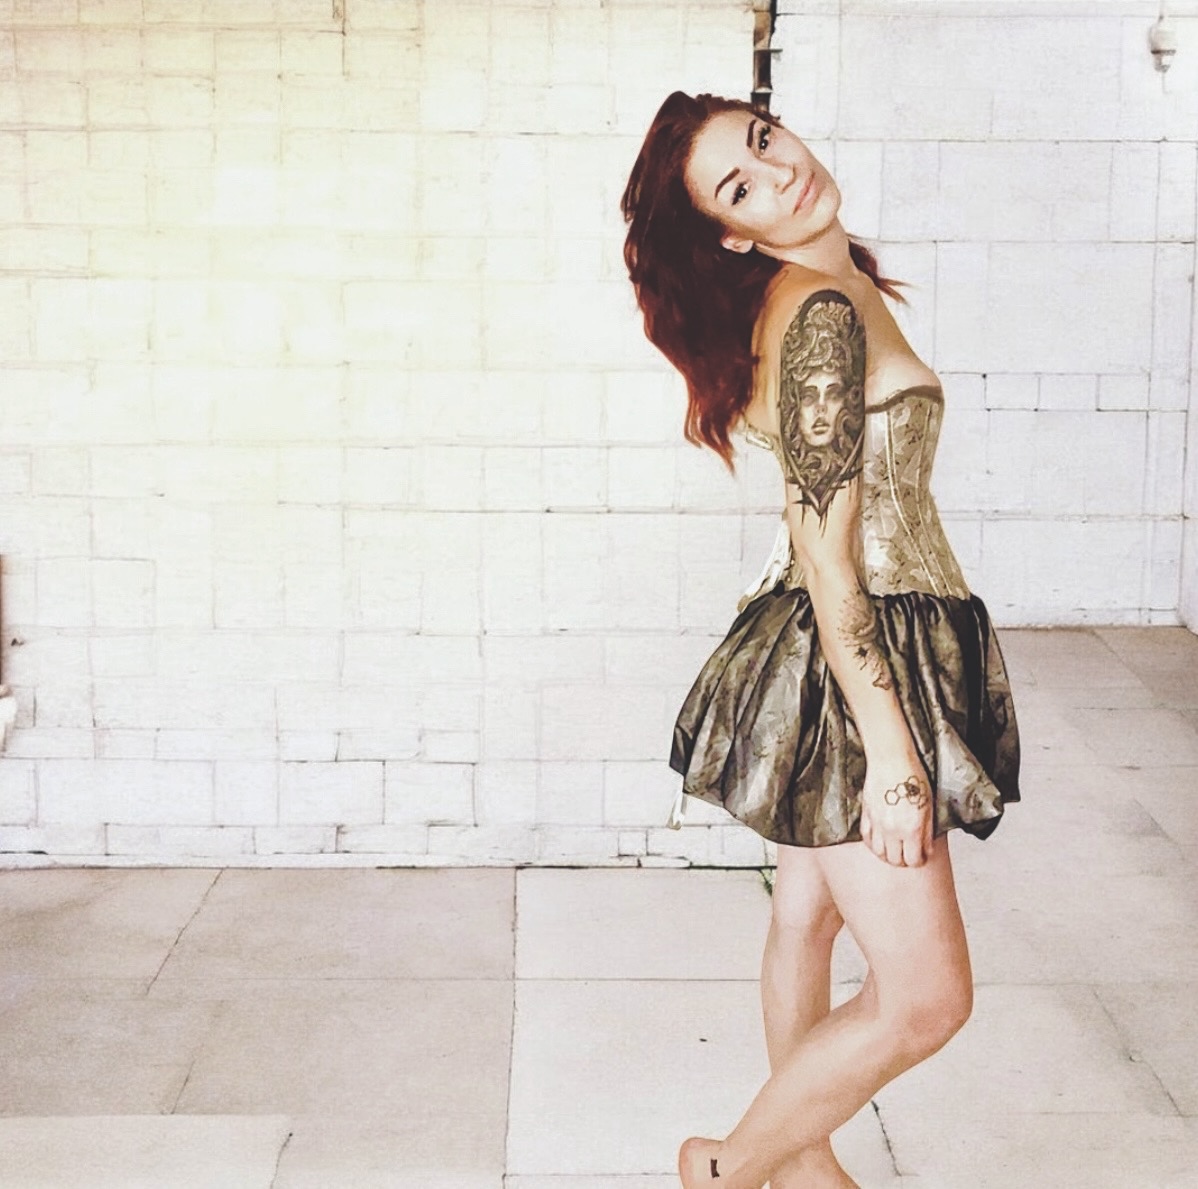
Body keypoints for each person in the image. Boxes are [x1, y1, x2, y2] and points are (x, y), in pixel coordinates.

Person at [620, 92, 1021, 1188]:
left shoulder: (827, 290)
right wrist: (893, 758)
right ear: (730, 234)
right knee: (927, 998)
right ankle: (725, 1168)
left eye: (762, 141)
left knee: (805, 915)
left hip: (843, 642)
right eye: (739, 187)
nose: (778, 171)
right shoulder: (819, 317)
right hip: (855, 662)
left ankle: (802, 1174)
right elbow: (830, 553)